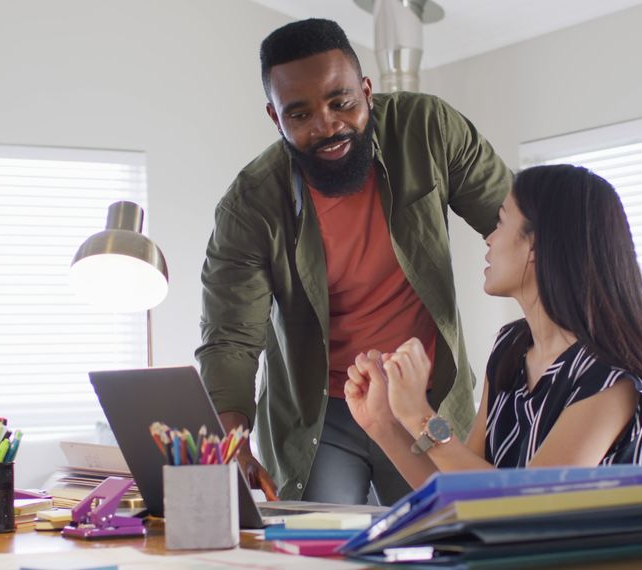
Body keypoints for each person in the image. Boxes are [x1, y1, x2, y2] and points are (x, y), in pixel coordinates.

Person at [196, 18, 512, 505]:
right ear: (275, 119)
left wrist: (601, 301)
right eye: (300, 116)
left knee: (444, 539)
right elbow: (231, 339)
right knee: (322, 551)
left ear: (366, 91)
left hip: (424, 398)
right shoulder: (250, 205)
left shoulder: (427, 130)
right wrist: (230, 441)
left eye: (341, 102)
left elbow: (520, 222)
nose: (327, 126)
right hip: (320, 416)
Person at [344, 164, 642, 488]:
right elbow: (461, 491)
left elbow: (530, 503)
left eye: (501, 222)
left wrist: (419, 414)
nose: (489, 238)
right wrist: (384, 423)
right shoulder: (511, 346)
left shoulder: (610, 376)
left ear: (535, 245)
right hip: (506, 546)